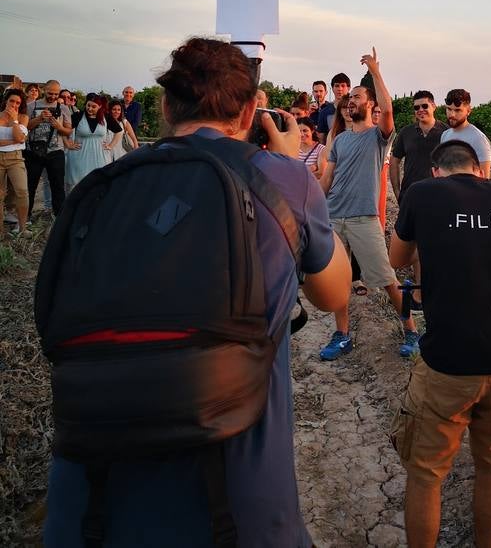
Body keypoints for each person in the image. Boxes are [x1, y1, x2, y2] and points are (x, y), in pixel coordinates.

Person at [43, 37, 351, 548]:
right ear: (252, 111)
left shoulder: (104, 186)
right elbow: (334, 291)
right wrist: (292, 168)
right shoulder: (280, 178)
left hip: (89, 503)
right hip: (234, 502)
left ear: (165, 105)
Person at [390, 140, 491, 548]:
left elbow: (398, 258)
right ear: (480, 170)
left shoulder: (423, 192)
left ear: (437, 171)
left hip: (450, 360)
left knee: (426, 474)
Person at [319, 48, 419, 360]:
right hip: (335, 218)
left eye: (358, 97)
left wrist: (375, 72)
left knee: (387, 280)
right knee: (339, 282)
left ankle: (412, 332)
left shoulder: (378, 136)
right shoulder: (340, 140)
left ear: (371, 104)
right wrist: (310, 203)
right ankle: (343, 335)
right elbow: (326, 181)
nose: (351, 101)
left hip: (363, 219)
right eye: (349, 99)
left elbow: (389, 112)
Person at [390, 90, 448, 307]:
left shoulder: (446, 133)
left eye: (424, 106)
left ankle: (424, 292)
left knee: (433, 245)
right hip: (410, 197)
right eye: (416, 108)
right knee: (410, 246)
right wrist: (396, 190)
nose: (420, 111)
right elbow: (395, 161)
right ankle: (420, 290)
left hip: (439, 197)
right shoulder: (406, 133)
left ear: (433, 106)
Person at [25, 80, 73, 219]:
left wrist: (58, 127)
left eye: (56, 94)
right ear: (43, 90)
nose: (52, 96)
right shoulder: (31, 106)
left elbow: (68, 132)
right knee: (30, 186)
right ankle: (26, 217)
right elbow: (25, 127)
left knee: (58, 186)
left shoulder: (63, 108)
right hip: (33, 151)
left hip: (55, 152)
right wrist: (39, 118)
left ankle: (59, 217)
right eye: (50, 93)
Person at [65, 94, 122, 188]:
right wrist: (68, 144)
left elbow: (119, 131)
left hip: (100, 157)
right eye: (88, 105)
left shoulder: (106, 117)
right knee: (77, 187)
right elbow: (63, 130)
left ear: (100, 106)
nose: (90, 108)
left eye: (93, 106)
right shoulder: (78, 116)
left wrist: (110, 146)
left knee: (99, 187)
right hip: (79, 158)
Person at [439, 89, 491, 179]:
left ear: (468, 111)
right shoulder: (445, 135)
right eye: (449, 109)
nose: (452, 114)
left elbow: (484, 179)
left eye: (457, 110)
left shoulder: (478, 139)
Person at [0, 88, 29, 235]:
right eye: (12, 101)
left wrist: (13, 120)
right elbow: (18, 139)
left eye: (18, 102)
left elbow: (20, 138)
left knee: (22, 191)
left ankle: (23, 228)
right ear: (5, 100)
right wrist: (15, 140)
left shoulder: (23, 117)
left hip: (15, 158)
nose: (14, 104)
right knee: (0, 194)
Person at [317, 73, 351, 144]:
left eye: (343, 86)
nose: (340, 89)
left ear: (348, 88)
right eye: (337, 86)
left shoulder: (355, 109)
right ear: (332, 88)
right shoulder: (324, 112)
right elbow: (321, 137)